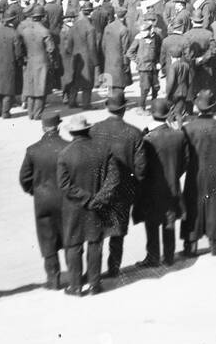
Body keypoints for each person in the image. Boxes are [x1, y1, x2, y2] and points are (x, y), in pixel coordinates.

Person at [57, 113, 117, 296]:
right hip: (98, 207)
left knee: (74, 246)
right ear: (87, 129)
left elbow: (64, 185)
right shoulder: (103, 150)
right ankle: (94, 284)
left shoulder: (64, 154)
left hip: (74, 208)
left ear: (72, 133)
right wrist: (98, 199)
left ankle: (75, 286)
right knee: (95, 243)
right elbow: (114, 178)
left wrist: (85, 198)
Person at [90, 88, 144, 277]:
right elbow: (141, 168)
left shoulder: (94, 130)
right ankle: (113, 269)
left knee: (96, 234)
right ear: (124, 109)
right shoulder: (134, 134)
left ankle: (93, 273)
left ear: (107, 107)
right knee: (117, 232)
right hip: (123, 191)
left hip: (98, 189)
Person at [134, 98, 190, 266]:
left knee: (151, 223)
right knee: (169, 221)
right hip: (172, 185)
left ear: (152, 114)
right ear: (167, 114)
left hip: (151, 188)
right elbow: (186, 161)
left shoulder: (146, 138)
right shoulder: (179, 135)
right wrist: (174, 174)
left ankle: (152, 257)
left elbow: (140, 166)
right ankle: (169, 256)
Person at [181, 89, 216, 256]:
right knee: (215, 207)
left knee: (193, 206)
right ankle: (215, 244)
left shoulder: (188, 128)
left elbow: (184, 155)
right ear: (213, 107)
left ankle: (191, 245)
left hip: (194, 174)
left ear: (198, 107)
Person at [18, 112, 67, 290]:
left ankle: (53, 281)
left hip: (43, 200)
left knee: (48, 239)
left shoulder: (32, 150)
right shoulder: (68, 146)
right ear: (58, 126)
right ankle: (75, 275)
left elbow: (24, 179)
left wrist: (35, 191)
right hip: (66, 199)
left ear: (43, 128)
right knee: (69, 236)